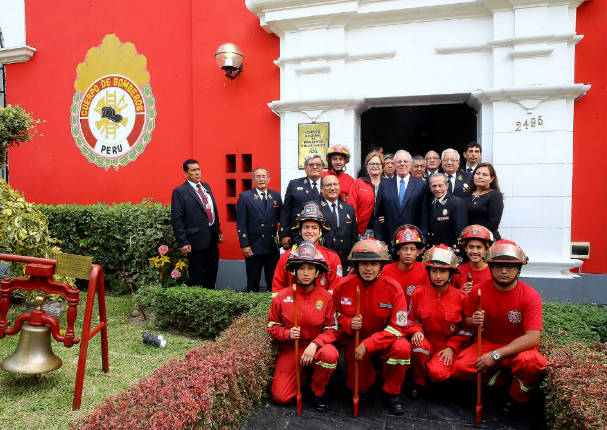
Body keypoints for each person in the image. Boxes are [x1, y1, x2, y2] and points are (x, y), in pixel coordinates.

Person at [452, 240, 547, 413]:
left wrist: (496, 355)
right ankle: (503, 377)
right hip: (488, 343)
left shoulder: (531, 295)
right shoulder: (478, 290)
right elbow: (466, 321)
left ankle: (517, 398)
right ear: (490, 267)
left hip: (519, 349)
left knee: (532, 364)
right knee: (459, 368)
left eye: (510, 266)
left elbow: (533, 337)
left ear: (519, 268)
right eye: (498, 266)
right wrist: (474, 320)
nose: (504, 271)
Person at [332, 238, 413, 415]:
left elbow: (399, 327)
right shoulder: (343, 285)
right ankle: (372, 373)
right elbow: (334, 315)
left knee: (403, 348)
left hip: (383, 341)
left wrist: (369, 345)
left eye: (374, 263)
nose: (368, 268)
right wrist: (347, 322)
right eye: (364, 263)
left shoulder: (393, 288)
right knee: (359, 387)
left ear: (381, 265)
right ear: (356, 264)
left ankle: (392, 393)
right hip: (355, 339)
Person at [267, 240, 339, 412]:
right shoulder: (282, 297)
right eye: (301, 268)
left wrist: (315, 344)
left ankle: (318, 391)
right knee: (280, 397)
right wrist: (287, 334)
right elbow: (272, 325)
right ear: (294, 271)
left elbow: (333, 329)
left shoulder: (326, 297)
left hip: (317, 349)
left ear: (317, 271)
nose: (306, 273)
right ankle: (305, 373)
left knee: (330, 355)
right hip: (292, 349)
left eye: (310, 268)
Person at [408, 244, 471, 399]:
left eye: (443, 271)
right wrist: (416, 330)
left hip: (448, 347)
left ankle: (440, 379)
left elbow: (467, 330)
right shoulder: (418, 293)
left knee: (437, 373)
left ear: (451, 273)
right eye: (434, 271)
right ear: (428, 272)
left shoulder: (462, 297)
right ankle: (419, 383)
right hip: (427, 342)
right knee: (418, 347)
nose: (438, 275)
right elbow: (411, 319)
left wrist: (452, 347)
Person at [171, 159, 223, 288]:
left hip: (212, 237)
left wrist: (218, 230)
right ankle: (197, 301)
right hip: (194, 240)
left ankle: (210, 296)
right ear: (186, 173)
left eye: (198, 169)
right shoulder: (180, 191)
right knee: (196, 273)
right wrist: (183, 241)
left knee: (212, 270)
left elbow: (212, 209)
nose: (197, 173)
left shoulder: (206, 186)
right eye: (193, 170)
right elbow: (177, 219)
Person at [272, 201, 342, 296]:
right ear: (300, 231)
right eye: (306, 227)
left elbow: (336, 290)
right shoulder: (286, 257)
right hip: (294, 308)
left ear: (320, 231)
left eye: (314, 228)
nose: (310, 231)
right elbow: (277, 290)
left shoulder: (332, 258)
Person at [236, 167, 283, 292]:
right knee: (253, 281)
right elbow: (241, 223)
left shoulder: (276, 196)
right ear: (253, 179)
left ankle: (272, 308)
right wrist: (244, 244)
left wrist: (283, 238)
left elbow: (282, 219)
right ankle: (252, 309)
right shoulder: (245, 197)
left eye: (264, 176)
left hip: (271, 246)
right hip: (253, 246)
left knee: (273, 281)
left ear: (268, 179)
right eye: (258, 176)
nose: (261, 179)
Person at [374, 149, 428, 241]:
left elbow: (424, 216)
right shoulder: (384, 185)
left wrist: (423, 239)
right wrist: (379, 241)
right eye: (399, 161)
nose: (402, 164)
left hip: (413, 240)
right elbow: (378, 216)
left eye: (405, 161)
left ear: (411, 164)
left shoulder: (421, 185)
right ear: (394, 164)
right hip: (389, 239)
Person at [279, 153, 324, 249]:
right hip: (298, 236)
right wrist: (284, 234)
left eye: (318, 165)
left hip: (324, 235)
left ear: (323, 167)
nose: (315, 167)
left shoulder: (329, 184)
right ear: (305, 167)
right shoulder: (294, 184)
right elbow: (286, 212)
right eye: (311, 165)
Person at [382, 224, 429, 307]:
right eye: (404, 249)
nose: (408, 253)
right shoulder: (385, 271)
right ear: (398, 251)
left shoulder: (425, 270)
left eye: (412, 249)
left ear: (418, 252)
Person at [318, 174, 358, 266]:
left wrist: (353, 263)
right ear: (321, 188)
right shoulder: (315, 207)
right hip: (323, 262)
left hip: (344, 263)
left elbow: (354, 239)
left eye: (335, 184)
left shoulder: (349, 209)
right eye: (328, 185)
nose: (332, 188)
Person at [426, 173, 468, 251]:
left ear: (447, 186)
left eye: (440, 185)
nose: (437, 189)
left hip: (448, 250)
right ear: (430, 187)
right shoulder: (429, 203)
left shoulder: (457, 203)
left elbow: (460, 231)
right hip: (432, 250)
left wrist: (454, 250)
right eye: (434, 186)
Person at [347, 150, 383, 238]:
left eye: (378, 164)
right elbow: (351, 206)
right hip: (363, 231)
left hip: (384, 230)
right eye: (371, 164)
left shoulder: (389, 184)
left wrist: (388, 217)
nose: (375, 166)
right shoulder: (358, 183)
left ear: (382, 166)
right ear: (367, 166)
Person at [463, 162, 504, 240]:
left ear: (492, 179)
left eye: (485, 175)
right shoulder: (467, 194)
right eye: (477, 173)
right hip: (468, 238)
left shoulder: (495, 195)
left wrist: (476, 235)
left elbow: (493, 223)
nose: (480, 177)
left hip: (486, 239)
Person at [452, 224, 494, 293]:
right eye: (471, 247)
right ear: (465, 248)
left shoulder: (493, 272)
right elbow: (451, 299)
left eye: (479, 247)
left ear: (486, 249)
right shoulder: (457, 272)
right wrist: (460, 293)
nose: (474, 251)